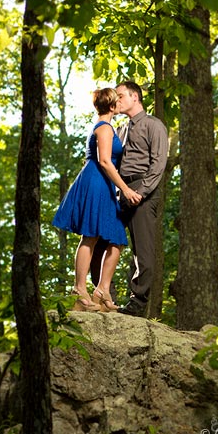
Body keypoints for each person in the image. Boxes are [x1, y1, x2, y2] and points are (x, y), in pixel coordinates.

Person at [52, 87, 142, 312]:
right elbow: (104, 161)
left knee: (117, 239)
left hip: (103, 184)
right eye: (117, 101)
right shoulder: (104, 129)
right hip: (96, 181)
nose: (120, 104)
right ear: (111, 106)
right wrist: (126, 189)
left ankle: (102, 290)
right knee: (90, 236)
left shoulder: (108, 127)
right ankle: (80, 289)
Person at [115, 81, 168, 317]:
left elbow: (158, 164)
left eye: (120, 96)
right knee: (107, 241)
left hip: (143, 191)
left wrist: (141, 192)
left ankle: (137, 304)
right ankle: (103, 294)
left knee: (143, 252)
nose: (116, 100)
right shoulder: (120, 129)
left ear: (135, 97)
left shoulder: (153, 125)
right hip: (121, 190)